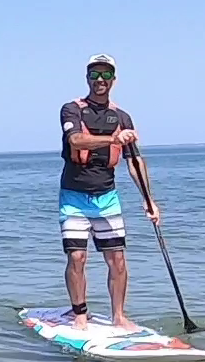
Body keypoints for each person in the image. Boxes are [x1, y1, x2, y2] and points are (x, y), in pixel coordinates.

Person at [58, 53, 161, 332]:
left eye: (105, 75)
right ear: (87, 78)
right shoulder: (72, 109)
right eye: (94, 74)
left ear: (113, 80)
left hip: (107, 198)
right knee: (77, 257)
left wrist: (149, 200)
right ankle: (80, 314)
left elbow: (135, 162)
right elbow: (76, 140)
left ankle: (118, 316)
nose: (99, 80)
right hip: (74, 196)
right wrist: (112, 138)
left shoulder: (122, 117)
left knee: (117, 259)